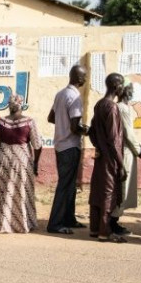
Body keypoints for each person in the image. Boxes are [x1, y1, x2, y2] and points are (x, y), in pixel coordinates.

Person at [46, 65, 89, 235]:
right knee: (65, 185)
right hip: (70, 146)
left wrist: (63, 125)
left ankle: (69, 218)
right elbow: (74, 127)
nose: (85, 79)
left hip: (60, 146)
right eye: (84, 77)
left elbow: (51, 118)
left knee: (70, 185)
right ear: (79, 79)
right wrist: (86, 130)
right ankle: (55, 224)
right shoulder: (75, 97)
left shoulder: (60, 94)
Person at [0, 95, 42, 234]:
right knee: (21, 190)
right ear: (21, 105)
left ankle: (3, 223)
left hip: (4, 158)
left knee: (4, 189)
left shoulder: (0, 122)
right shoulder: (29, 122)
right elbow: (37, 145)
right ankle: (22, 223)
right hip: (22, 159)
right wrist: (35, 162)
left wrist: (5, 150)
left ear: (8, 105)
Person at [88, 73, 126, 243]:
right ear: (117, 86)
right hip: (110, 157)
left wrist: (98, 147)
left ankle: (95, 228)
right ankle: (105, 231)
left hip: (101, 155)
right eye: (122, 85)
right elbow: (114, 139)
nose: (123, 88)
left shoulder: (99, 104)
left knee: (98, 191)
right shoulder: (111, 107)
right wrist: (121, 163)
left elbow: (92, 131)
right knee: (108, 194)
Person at [110, 81, 141, 235]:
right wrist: (139, 149)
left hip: (124, 149)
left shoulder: (121, 107)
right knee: (122, 187)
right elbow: (128, 132)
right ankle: (113, 221)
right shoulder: (123, 108)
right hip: (125, 150)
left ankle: (114, 219)